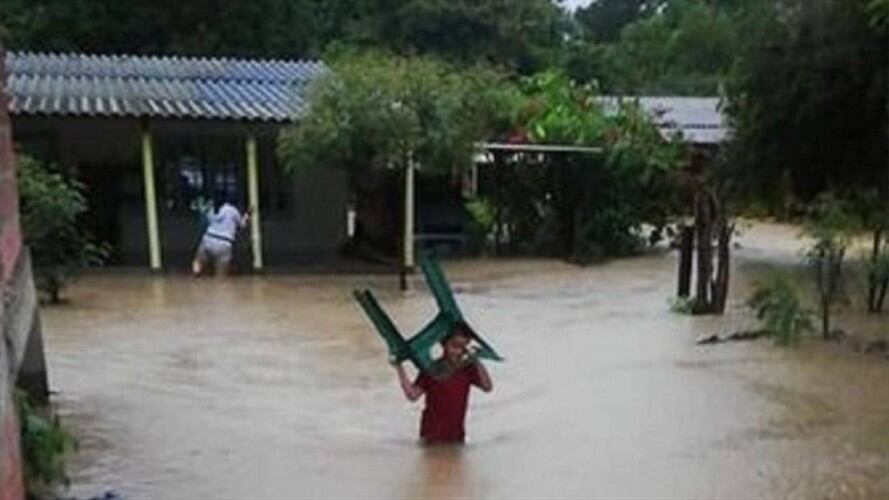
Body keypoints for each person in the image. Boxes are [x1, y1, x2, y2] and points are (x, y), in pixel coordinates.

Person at [393, 322, 494, 444]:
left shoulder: (468, 369)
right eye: (454, 346)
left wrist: (477, 360)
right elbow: (412, 395)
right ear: (444, 344)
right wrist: (399, 367)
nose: (457, 351)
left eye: (463, 347)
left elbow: (487, 387)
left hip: (456, 436)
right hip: (430, 436)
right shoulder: (431, 369)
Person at [191, 194, 249, 277]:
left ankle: (196, 273)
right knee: (221, 276)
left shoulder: (211, 209)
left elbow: (206, 221)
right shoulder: (232, 210)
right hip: (225, 243)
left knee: (197, 261)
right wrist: (247, 216)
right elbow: (242, 225)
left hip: (208, 238)